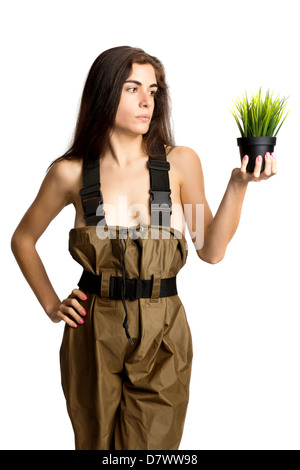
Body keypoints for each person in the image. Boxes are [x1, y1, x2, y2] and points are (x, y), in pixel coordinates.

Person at [10, 46, 277, 451]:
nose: (146, 101)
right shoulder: (70, 173)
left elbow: (211, 250)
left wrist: (238, 185)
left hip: (164, 329)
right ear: (104, 93)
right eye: (132, 87)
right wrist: (51, 305)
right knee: (94, 445)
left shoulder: (180, 162)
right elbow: (22, 239)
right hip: (93, 326)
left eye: (152, 90)